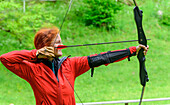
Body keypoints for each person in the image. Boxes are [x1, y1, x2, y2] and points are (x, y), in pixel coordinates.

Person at [0, 27, 149, 105]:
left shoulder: (71, 64)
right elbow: (5, 58)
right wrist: (36, 54)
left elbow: (102, 58)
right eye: (56, 42)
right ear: (44, 46)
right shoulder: (32, 70)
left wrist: (132, 51)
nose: (61, 45)